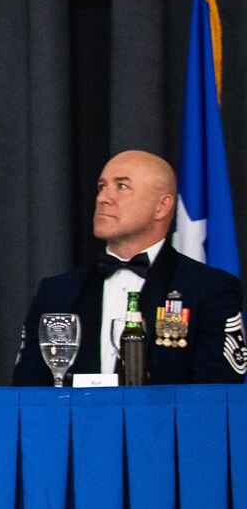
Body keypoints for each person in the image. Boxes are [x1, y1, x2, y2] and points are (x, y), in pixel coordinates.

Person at [13, 150, 245, 385]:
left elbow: (216, 398)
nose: (103, 198)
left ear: (162, 206)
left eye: (121, 186)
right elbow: (27, 390)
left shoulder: (208, 290)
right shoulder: (57, 292)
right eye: (102, 186)